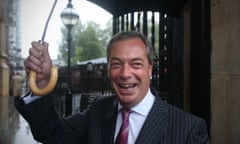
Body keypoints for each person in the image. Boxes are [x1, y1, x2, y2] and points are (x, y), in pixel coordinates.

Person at [15, 31, 210, 144]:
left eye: (136, 64)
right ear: (108, 69)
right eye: (116, 64)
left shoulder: (189, 130)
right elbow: (51, 134)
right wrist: (41, 83)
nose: (125, 73)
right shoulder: (98, 109)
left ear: (150, 69)